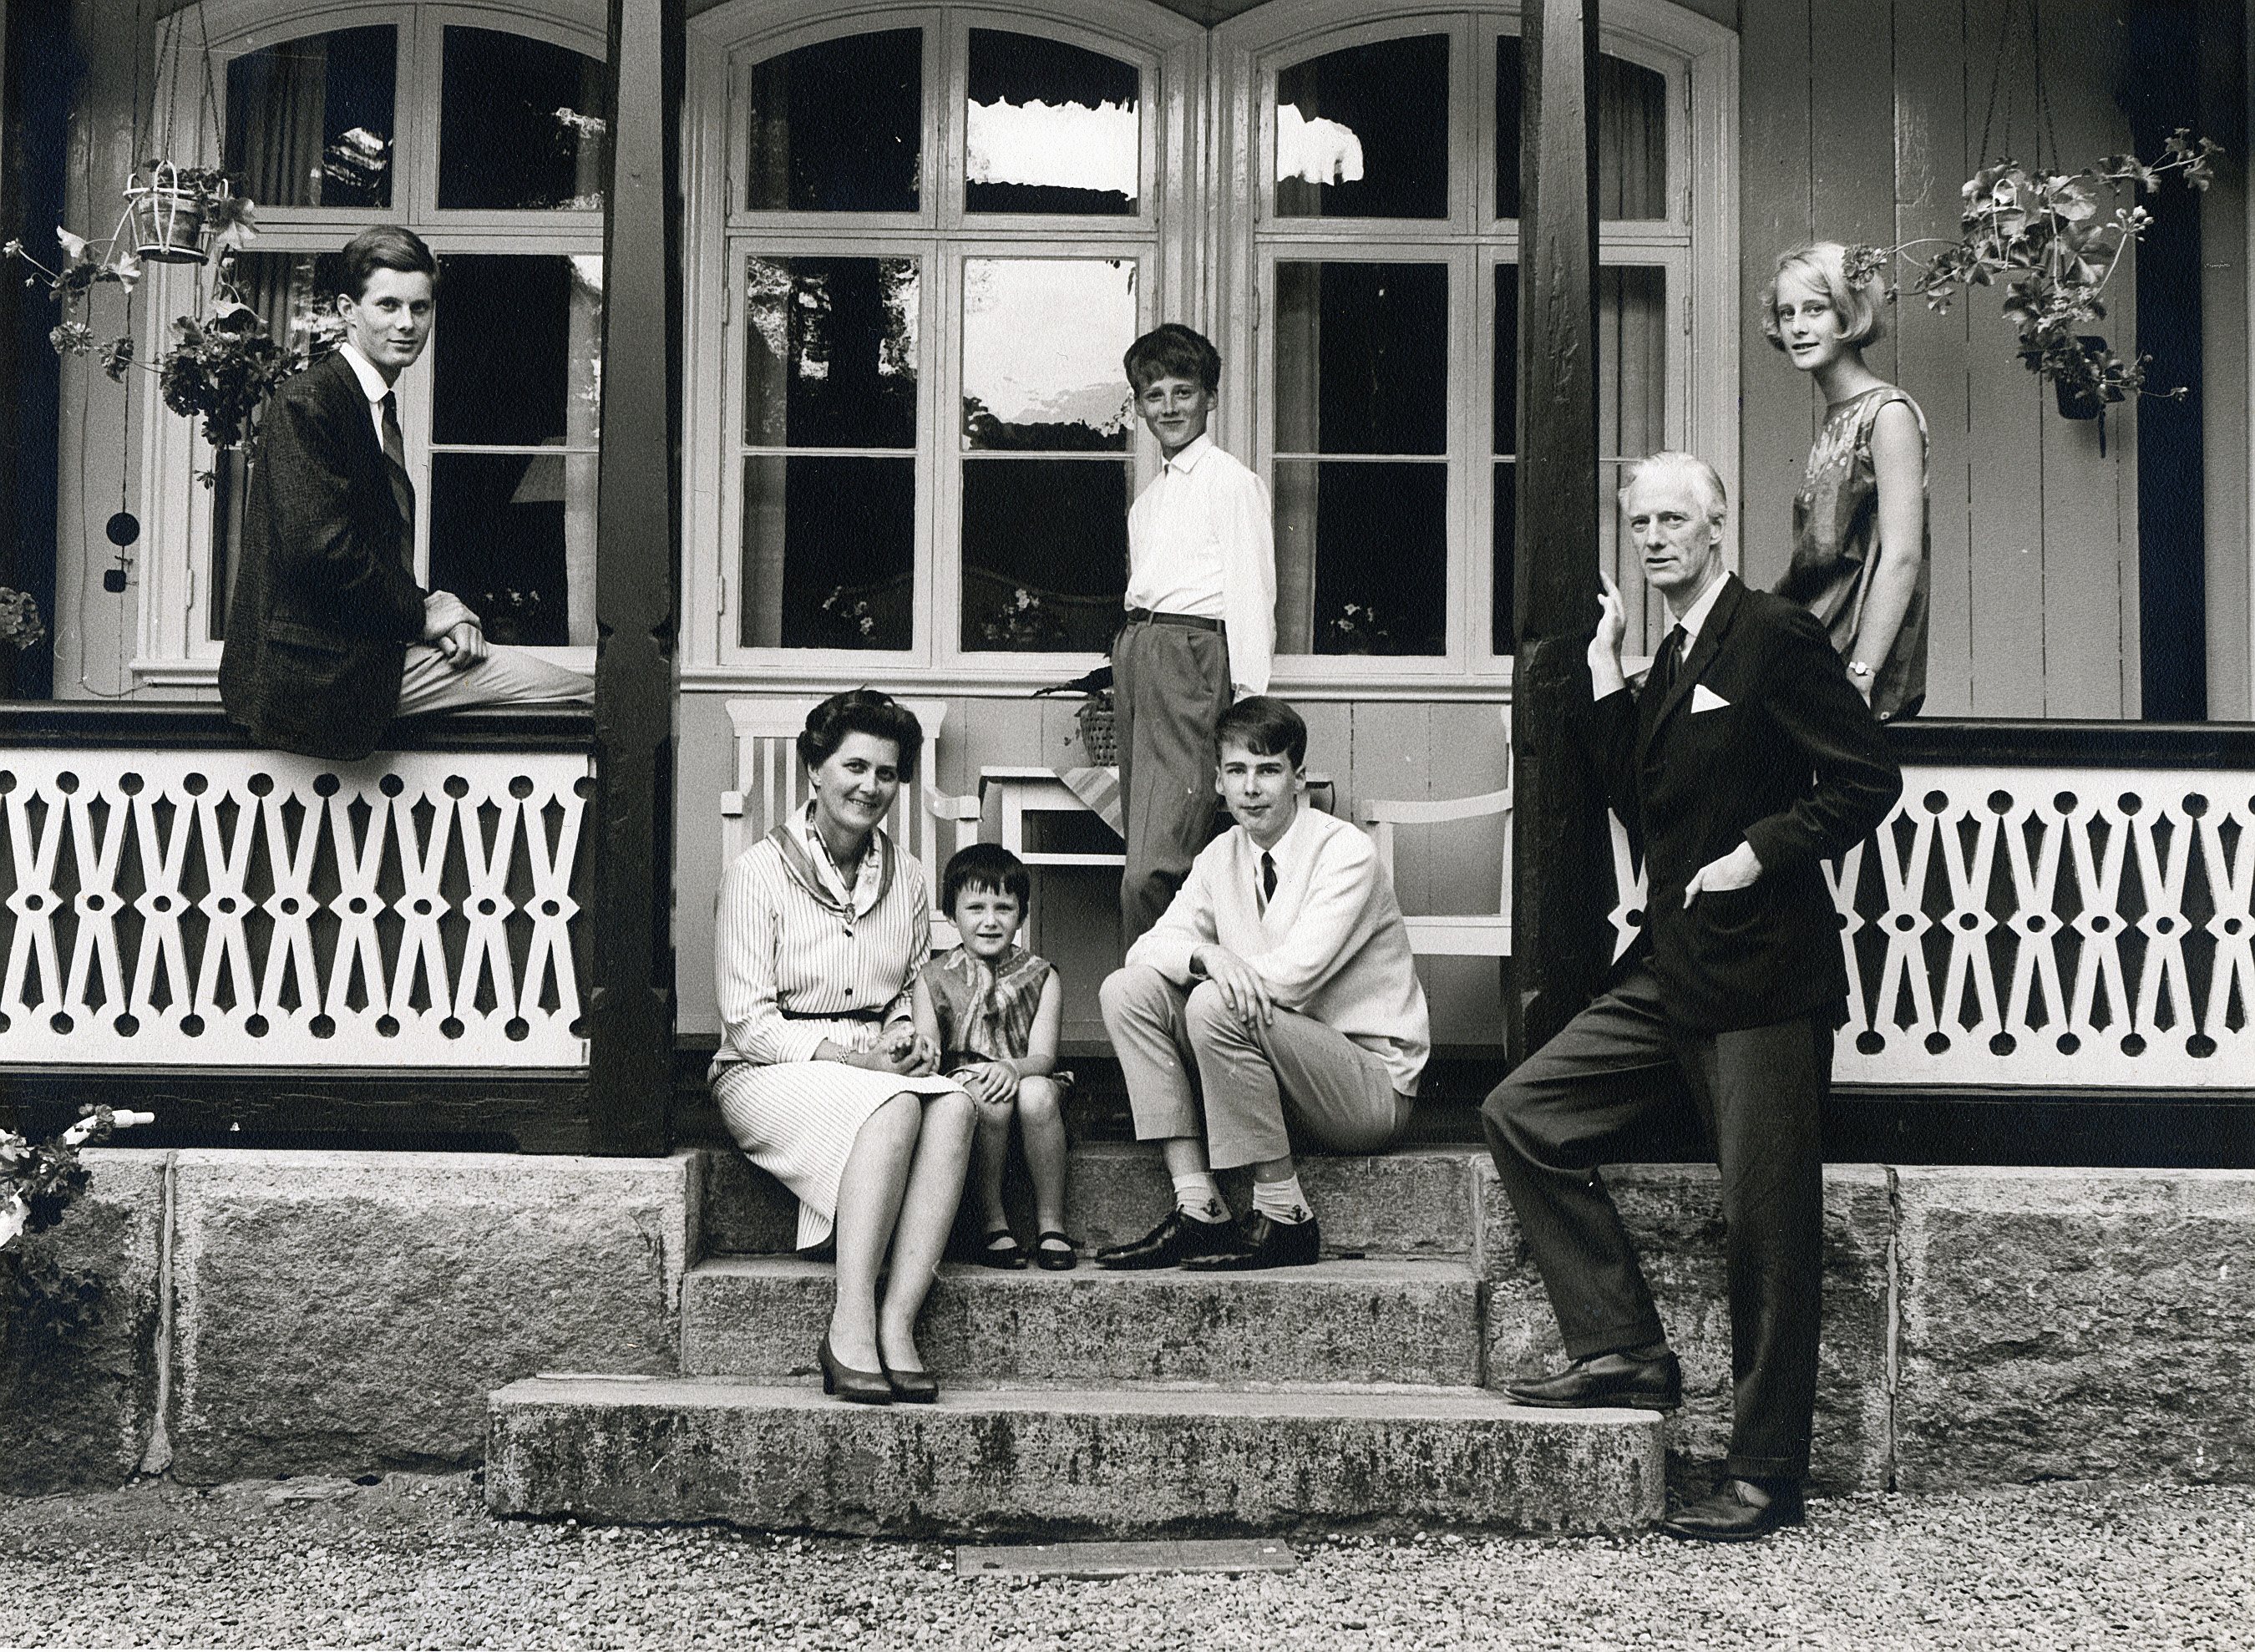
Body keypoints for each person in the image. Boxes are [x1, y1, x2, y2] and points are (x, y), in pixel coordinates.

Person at [1482, 454, 1900, 1542]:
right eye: (1642, 522)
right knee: (1524, 1113)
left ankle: (1764, 1475)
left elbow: (1867, 780)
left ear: (1719, 527)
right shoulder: (1669, 651)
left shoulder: (1773, 633)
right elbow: (1643, 800)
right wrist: (1607, 667)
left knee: (1767, 1230)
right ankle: (1624, 1347)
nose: (1657, 537)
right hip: (1672, 968)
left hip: (1764, 979)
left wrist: (1762, 851)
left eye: (1676, 518)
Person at [220, 226, 591, 763]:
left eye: (420, 307)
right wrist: (423, 615)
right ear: (347, 311)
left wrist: (439, 616)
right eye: (388, 305)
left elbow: (364, 558)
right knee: (583, 694)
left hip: (355, 653)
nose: (406, 323)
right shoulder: (311, 402)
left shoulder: (369, 402)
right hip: (315, 674)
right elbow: (323, 553)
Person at [1095, 697, 1427, 1272]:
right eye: (1237, 771)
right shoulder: (1221, 855)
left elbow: (1295, 978)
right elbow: (1147, 948)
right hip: (1274, 1081)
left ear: (1299, 778)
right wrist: (1205, 954)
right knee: (1127, 990)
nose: (1251, 788)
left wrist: (1217, 973)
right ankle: (1199, 1207)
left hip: (1366, 1088)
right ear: (1218, 781)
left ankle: (1285, 1215)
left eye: (1269, 770)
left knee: (1215, 1002)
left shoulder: (1345, 851)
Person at [710, 690, 975, 1406]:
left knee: (954, 1105)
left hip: (871, 1063)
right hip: (766, 1070)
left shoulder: (907, 875)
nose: (870, 787)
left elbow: (906, 987)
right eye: (855, 767)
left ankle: (898, 1323)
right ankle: (849, 1323)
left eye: (886, 773)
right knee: (892, 1106)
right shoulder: (756, 872)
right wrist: (860, 1061)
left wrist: (908, 1037)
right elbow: (748, 1025)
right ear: (815, 771)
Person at [1113, 322, 1278, 946]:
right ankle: (1164, 987)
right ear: (1138, 407)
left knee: (1157, 864)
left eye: (1183, 392)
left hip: (1192, 657)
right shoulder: (1149, 501)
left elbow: (1252, 594)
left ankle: (1159, 984)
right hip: (1142, 654)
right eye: (1154, 395)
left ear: (1209, 397)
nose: (1169, 407)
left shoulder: (1230, 482)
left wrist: (1250, 703)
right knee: (1148, 841)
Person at [1765, 241, 1930, 722]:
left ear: (1849, 312)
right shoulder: (1840, 414)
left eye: (1815, 309)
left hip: (1851, 673)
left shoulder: (1887, 414)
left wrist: (1861, 674)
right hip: (1811, 649)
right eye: (1787, 313)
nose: (1797, 327)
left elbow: (1902, 557)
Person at [913, 843, 1075, 1271]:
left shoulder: (1042, 976)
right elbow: (929, 1049)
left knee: (1037, 1094)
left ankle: (1051, 1222)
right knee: (988, 1095)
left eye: (1004, 908)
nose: (990, 920)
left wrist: (1011, 1068)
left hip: (1028, 1076)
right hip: (967, 1089)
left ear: (1022, 915)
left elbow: (1044, 1057)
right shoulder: (932, 977)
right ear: (951, 915)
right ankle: (992, 1221)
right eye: (975, 907)